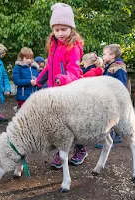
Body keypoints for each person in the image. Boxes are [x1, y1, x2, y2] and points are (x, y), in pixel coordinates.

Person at [35, 3, 84, 169]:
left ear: (71, 28)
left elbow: (75, 70)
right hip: (55, 90)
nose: (60, 33)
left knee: (73, 124)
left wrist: (63, 79)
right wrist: (39, 80)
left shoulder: (73, 47)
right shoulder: (54, 45)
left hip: (68, 90)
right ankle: (60, 154)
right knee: (57, 125)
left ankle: (80, 149)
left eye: (64, 29)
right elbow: (49, 66)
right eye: (57, 30)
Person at [102, 44, 127, 144]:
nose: (103, 56)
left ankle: (110, 140)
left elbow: (121, 84)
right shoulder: (108, 67)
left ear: (112, 55)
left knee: (111, 118)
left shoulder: (118, 68)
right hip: (108, 96)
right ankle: (117, 135)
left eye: (104, 54)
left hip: (115, 97)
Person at [0, 43, 9, 123]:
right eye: (3, 52)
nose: (4, 54)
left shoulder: (0, 63)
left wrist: (6, 88)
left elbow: (4, 76)